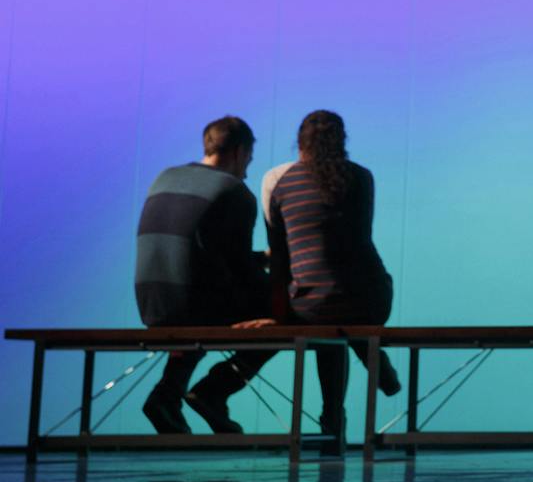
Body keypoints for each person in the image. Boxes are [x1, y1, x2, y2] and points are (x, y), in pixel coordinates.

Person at [133, 116, 276, 434]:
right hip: (194, 304)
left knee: (202, 301)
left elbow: (201, 252)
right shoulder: (234, 191)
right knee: (285, 316)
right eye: (248, 160)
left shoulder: (165, 177)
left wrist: (259, 261)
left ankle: (166, 397)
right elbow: (242, 271)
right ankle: (214, 391)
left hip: (152, 304)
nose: (248, 170)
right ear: (239, 152)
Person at [266, 110, 397, 439]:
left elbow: (279, 254)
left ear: (299, 143)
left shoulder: (279, 182)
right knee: (345, 312)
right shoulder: (362, 177)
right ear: (343, 142)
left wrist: (277, 308)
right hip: (369, 299)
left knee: (326, 319)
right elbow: (358, 240)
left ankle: (333, 418)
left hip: (310, 304)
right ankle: (371, 354)